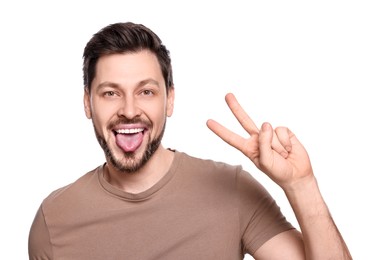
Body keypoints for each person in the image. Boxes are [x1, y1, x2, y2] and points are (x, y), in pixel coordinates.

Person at [28, 22, 352, 260]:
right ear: (88, 103)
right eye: (111, 93)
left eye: (146, 91)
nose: (129, 110)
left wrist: (301, 184)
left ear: (169, 100)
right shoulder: (54, 218)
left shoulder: (232, 190)